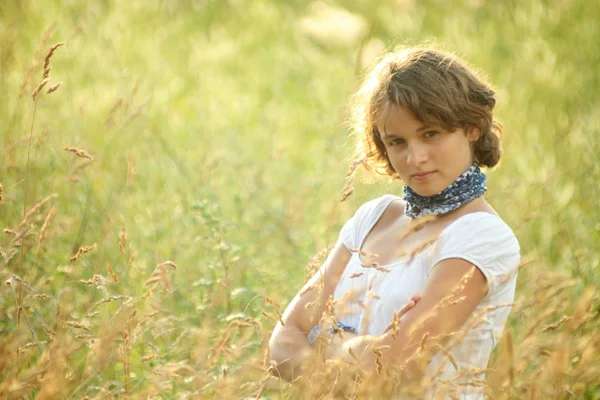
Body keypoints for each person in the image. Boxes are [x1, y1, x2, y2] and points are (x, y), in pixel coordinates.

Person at [268, 47, 521, 399]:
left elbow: (390, 373)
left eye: (430, 133)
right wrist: (357, 355)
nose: (414, 158)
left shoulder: (482, 235)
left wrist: (329, 341)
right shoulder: (374, 217)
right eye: (396, 141)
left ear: (472, 127)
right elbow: (281, 345)